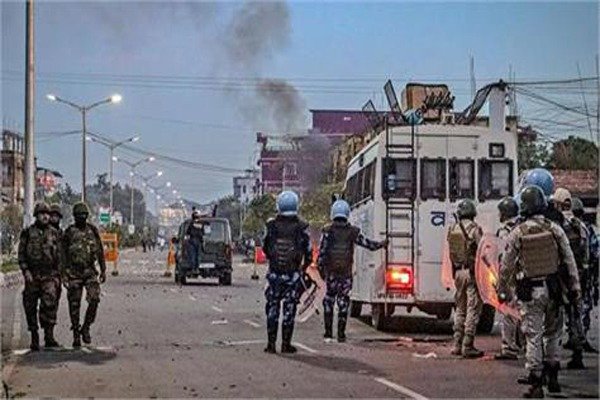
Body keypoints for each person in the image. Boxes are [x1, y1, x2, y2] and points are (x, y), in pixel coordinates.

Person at [501, 185, 580, 398]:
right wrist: (575, 288)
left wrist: (502, 289)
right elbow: (569, 261)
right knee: (553, 333)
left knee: (533, 335)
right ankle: (553, 376)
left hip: (530, 291)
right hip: (554, 290)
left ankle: (536, 382)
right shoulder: (555, 229)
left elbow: (506, 265)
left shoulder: (518, 232)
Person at [317, 199, 387, 343]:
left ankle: (328, 333)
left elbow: (322, 254)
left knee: (329, 301)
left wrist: (321, 271)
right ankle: (341, 335)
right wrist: (382, 244)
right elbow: (368, 245)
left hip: (331, 274)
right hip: (345, 274)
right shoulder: (353, 231)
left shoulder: (327, 231)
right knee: (343, 302)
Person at [263, 191, 311, 354]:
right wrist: (303, 268)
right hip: (293, 275)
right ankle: (285, 344)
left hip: (274, 274)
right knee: (289, 310)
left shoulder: (271, 226)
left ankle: (271, 345)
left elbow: (266, 248)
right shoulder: (302, 227)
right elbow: (308, 252)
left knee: (272, 308)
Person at [18, 202, 63, 350]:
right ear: (36, 216)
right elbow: (21, 254)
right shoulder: (28, 233)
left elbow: (60, 256)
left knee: (49, 303)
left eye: (47, 214)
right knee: (30, 305)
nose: (45, 216)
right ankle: (34, 335)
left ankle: (49, 336)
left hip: (49, 275)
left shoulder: (54, 233)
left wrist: (59, 275)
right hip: (33, 275)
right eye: (42, 214)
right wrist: (26, 271)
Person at [63, 202, 107, 347]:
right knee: (74, 304)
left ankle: (86, 327)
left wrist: (103, 269)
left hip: (89, 271)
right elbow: (62, 255)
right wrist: (64, 274)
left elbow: (100, 251)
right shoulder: (69, 232)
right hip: (73, 273)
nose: (81, 217)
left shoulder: (92, 231)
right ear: (74, 217)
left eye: (84, 215)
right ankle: (76, 332)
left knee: (94, 299)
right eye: (79, 215)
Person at [553, 188, 589, 368]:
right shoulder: (581, 226)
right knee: (576, 314)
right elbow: (587, 254)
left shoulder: (557, 226)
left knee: (555, 317)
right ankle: (578, 353)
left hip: (561, 276)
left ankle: (551, 358)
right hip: (579, 275)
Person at [447, 199, 484, 358]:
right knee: (472, 308)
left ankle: (457, 343)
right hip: (471, 273)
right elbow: (482, 250)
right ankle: (468, 344)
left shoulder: (452, 229)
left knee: (460, 308)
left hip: (458, 273)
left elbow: (450, 253)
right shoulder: (475, 229)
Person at [494, 196, 522, 360]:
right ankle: (522, 344)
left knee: (508, 312)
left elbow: (504, 258)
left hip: (510, 276)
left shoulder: (504, 232)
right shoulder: (522, 227)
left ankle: (508, 347)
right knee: (523, 310)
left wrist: (501, 282)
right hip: (523, 275)